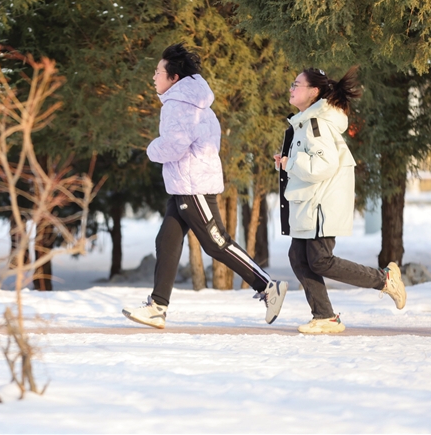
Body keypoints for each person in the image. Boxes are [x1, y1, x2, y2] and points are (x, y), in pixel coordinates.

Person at [122, 44, 288, 329]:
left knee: (216, 242)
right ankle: (157, 307)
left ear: (173, 77)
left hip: (193, 187)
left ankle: (267, 286)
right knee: (167, 241)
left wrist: (151, 149)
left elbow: (173, 146)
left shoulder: (178, 104)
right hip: (184, 184)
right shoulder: (195, 101)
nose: (154, 77)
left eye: (158, 72)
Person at [275, 67, 407, 334]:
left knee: (320, 260)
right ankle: (325, 317)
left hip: (319, 205)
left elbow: (324, 165)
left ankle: (385, 280)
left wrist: (291, 163)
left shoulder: (316, 124)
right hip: (309, 203)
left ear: (313, 92)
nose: (291, 88)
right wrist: (288, 162)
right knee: (299, 257)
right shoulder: (306, 122)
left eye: (296, 84)